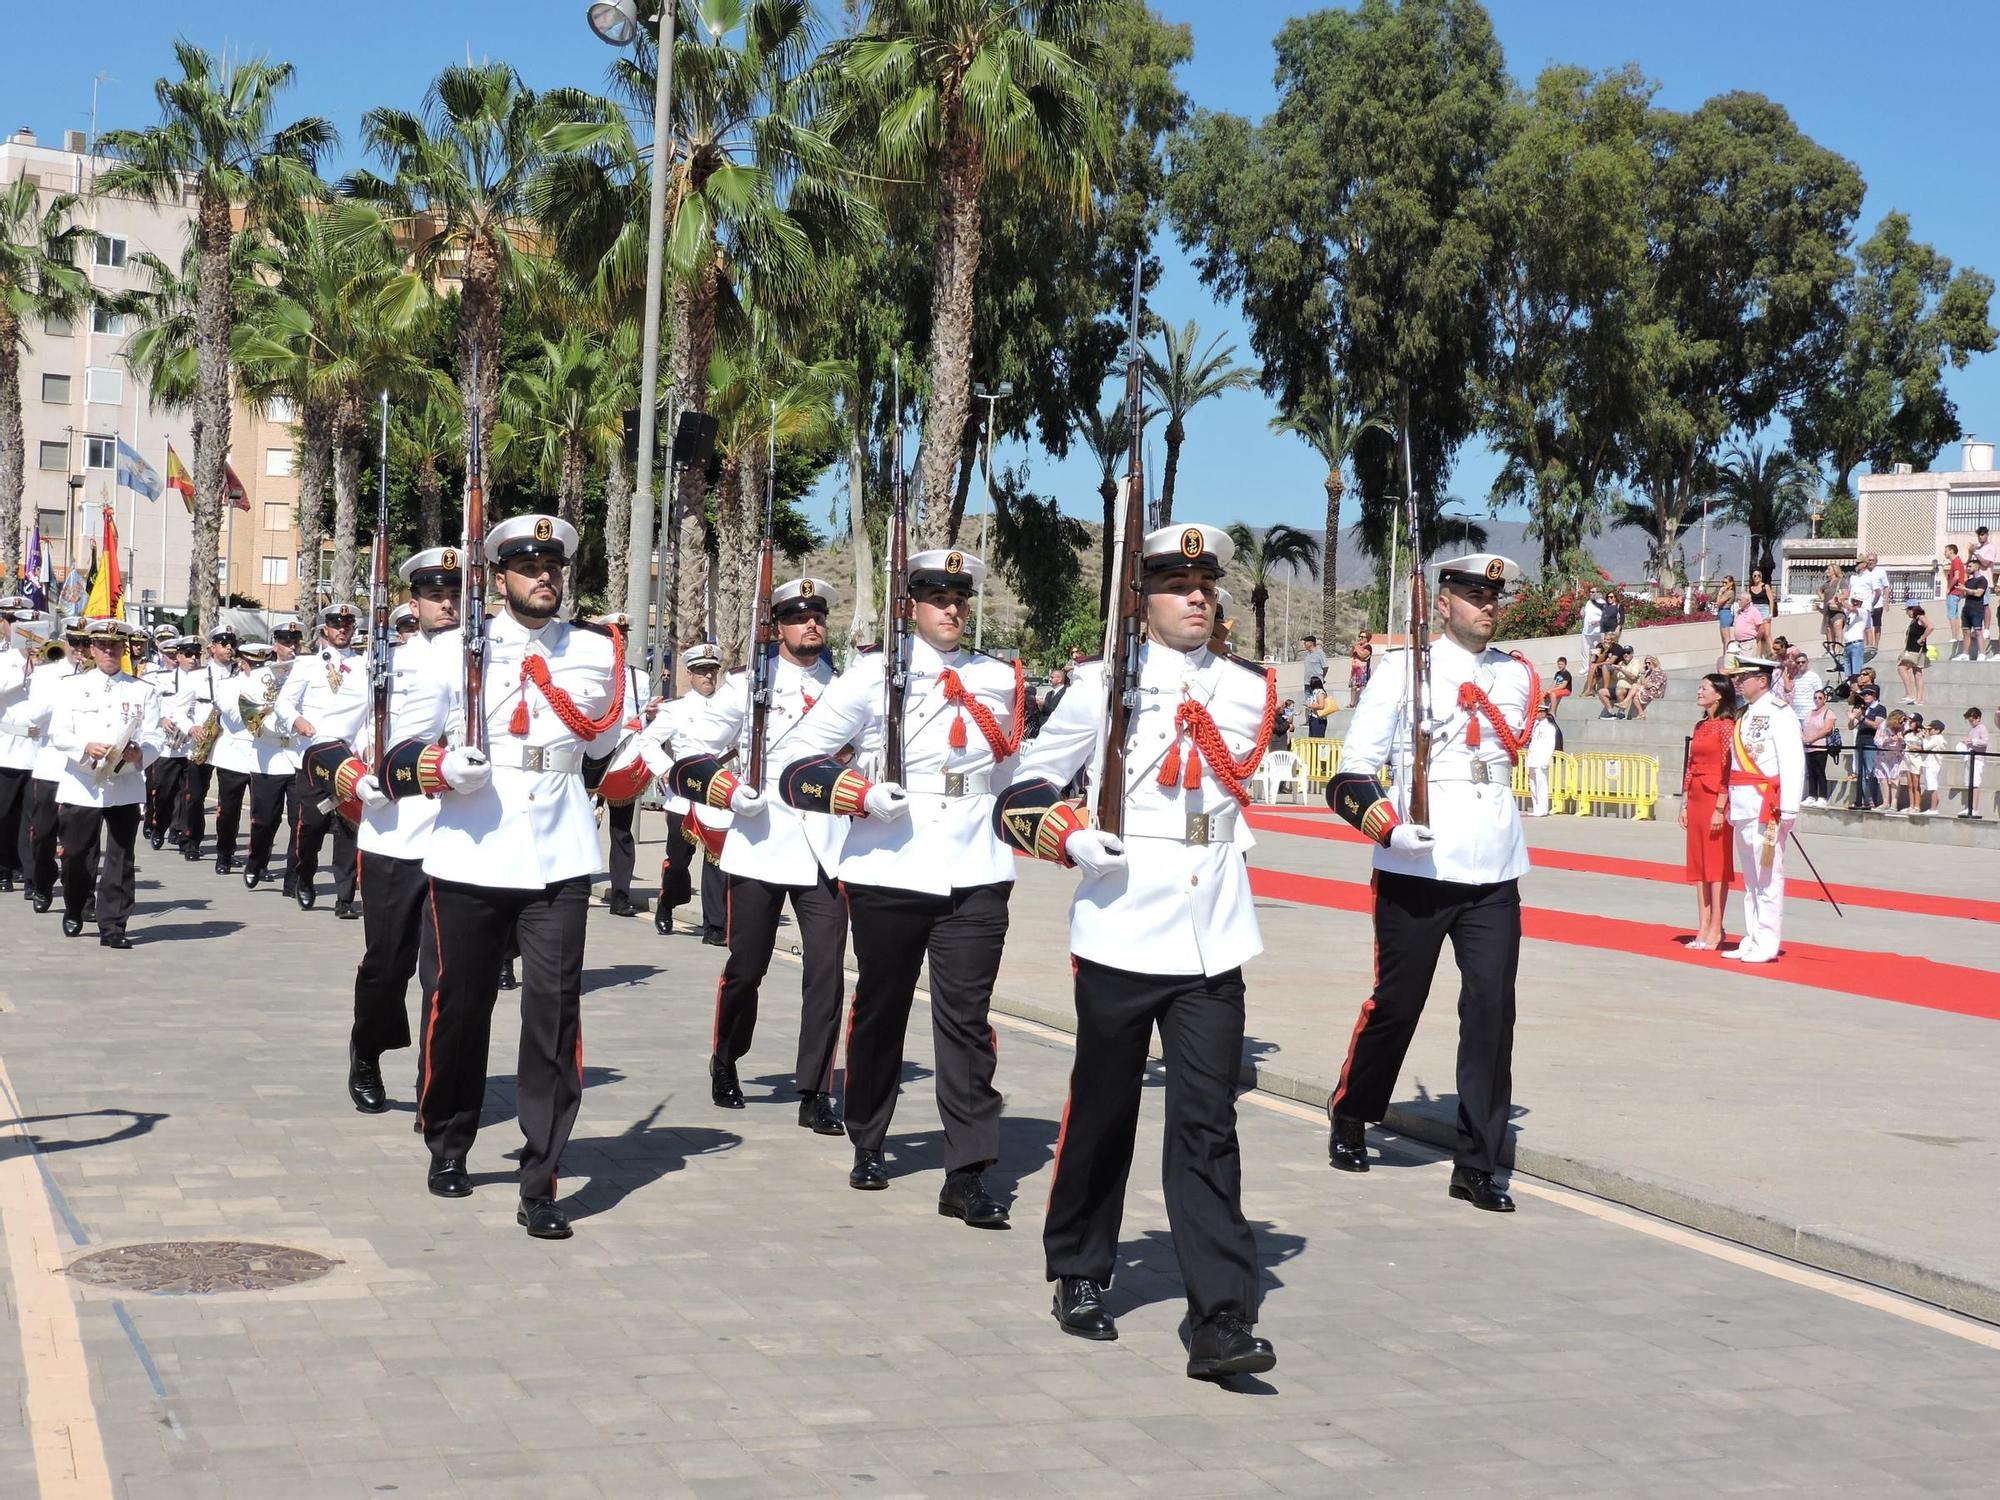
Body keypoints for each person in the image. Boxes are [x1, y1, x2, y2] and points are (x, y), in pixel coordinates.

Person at [995, 522, 1278, 1379]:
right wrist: (1071, 838)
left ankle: (1219, 1316)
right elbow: (1024, 788)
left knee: (1207, 1123)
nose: (1196, 596)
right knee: (1105, 1109)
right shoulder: (1099, 684)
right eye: (1175, 584)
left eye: (1206, 583)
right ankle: (1080, 1267)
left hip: (1213, 931)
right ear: (1141, 597)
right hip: (1121, 923)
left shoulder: (1245, 688)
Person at [774, 547, 1021, 1224]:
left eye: (960, 598)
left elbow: (1010, 775)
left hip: (975, 868)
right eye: (939, 598)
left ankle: (968, 1170)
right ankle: (869, 1135)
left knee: (966, 1022)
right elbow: (797, 760)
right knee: (882, 1008)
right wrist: (856, 794)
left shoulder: (997, 677)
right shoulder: (872, 676)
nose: (953, 609)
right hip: (891, 863)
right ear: (910, 604)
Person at [417, 513, 628, 1241]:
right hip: (474, 841)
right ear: (500, 578)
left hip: (560, 849)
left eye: (554, 566)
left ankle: (542, 1178)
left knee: (554, 1016)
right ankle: (449, 1139)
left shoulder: (598, 653)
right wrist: (442, 764)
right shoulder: (457, 651)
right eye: (528, 566)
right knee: (461, 1007)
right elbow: (410, 738)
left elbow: (606, 743)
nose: (545, 577)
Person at [1326, 552, 1537, 1214]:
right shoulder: (1403, 671)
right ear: (1443, 602)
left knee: (1490, 1012)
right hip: (1418, 862)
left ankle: (1477, 1162)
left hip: (1494, 866)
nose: (1488, 604)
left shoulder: (1516, 675)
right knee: (1397, 1003)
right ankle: (1354, 1110)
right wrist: (1387, 828)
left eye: (1495, 593)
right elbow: (1350, 773)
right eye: (1474, 592)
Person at [654, 576, 850, 1136]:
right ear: (778, 627)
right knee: (747, 967)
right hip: (762, 841)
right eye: (797, 616)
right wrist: (726, 789)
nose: (809, 624)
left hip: (825, 848)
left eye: (816, 615)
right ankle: (726, 1056)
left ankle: (814, 1088)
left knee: (826, 973)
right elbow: (694, 747)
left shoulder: (844, 687)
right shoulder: (748, 686)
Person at [338, 547, 462, 1115]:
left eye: (456, 595)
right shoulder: (386, 662)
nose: (448, 605)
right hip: (394, 834)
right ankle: (367, 1049)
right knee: (388, 965)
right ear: (415, 602)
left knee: (447, 975)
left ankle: (434, 1085)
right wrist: (355, 778)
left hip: (462, 839)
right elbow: (326, 741)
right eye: (437, 596)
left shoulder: (489, 660)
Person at [49, 619, 161, 948]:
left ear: (124, 650)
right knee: (76, 856)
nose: (110, 651)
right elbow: (59, 733)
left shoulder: (143, 690)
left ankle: (113, 926)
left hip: (124, 785)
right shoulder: (72, 687)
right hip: (82, 782)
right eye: (103, 646)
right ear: (93, 649)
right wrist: (84, 746)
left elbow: (154, 739)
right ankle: (75, 905)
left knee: (121, 858)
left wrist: (140, 751)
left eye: (116, 646)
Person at [277, 604, 370, 916]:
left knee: (349, 826)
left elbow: (368, 715)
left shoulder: (364, 664)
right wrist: (297, 721)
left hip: (348, 754)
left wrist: (367, 747)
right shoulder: (306, 665)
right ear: (324, 629)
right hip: (315, 753)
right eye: (335, 623)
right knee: (312, 824)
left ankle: (345, 897)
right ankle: (304, 875)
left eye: (347, 622)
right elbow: (283, 704)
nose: (342, 628)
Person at [643, 642, 731, 940]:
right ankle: (667, 902)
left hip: (717, 793)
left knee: (717, 859)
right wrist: (666, 769)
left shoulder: (729, 709)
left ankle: (715, 926)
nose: (708, 677)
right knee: (679, 861)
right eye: (702, 671)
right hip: (683, 795)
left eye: (712, 671)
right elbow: (647, 742)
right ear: (691, 675)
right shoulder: (675, 710)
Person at [1720, 656, 1803, 964]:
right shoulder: (1745, 713)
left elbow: (1792, 761)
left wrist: (1789, 807)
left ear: (1763, 680)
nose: (1738, 682)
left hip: (1766, 806)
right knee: (1751, 879)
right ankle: (1752, 936)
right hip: (1743, 803)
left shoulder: (1780, 713)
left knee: (1767, 876)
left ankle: (1767, 940)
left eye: (1745, 676)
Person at [1679, 674, 1737, 950]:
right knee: (1700, 865)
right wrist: (1684, 803)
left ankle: (1716, 927)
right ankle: (1702, 925)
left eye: (1705, 688)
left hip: (1716, 796)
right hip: (1697, 796)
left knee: (1716, 866)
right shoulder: (1701, 726)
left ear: (1719, 695)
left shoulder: (1727, 727)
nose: (1699, 691)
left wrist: (1720, 806)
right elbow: (1690, 765)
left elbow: (1728, 768)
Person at [174, 625, 235, 860]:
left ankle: (225, 849)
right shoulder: (197, 677)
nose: (229, 648)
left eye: (231, 644)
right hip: (203, 743)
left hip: (231, 745)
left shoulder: (241, 674)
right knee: (195, 797)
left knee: (229, 802)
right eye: (224, 643)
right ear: (211, 648)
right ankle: (192, 841)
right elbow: (178, 709)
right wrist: (191, 727)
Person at [1847, 684, 1886, 809]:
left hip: (1871, 743)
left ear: (1874, 695)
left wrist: (1862, 718)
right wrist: (1852, 718)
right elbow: (1851, 726)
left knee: (1871, 772)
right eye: (1864, 694)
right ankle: (1862, 800)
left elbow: (1876, 725)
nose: (1865, 696)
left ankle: (1872, 800)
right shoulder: (1863, 708)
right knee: (1861, 773)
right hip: (1860, 742)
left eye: (1868, 694)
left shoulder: (1880, 709)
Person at [1800, 688, 1837, 808]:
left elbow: (1826, 729)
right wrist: (1804, 738)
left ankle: (1822, 796)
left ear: (1825, 699)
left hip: (1820, 746)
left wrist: (1812, 739)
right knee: (1810, 772)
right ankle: (1812, 795)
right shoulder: (1809, 713)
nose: (1817, 700)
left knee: (1820, 771)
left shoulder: (1828, 713)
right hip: (1808, 747)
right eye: (1815, 698)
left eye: (1820, 698)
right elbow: (1804, 726)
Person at [1851, 552, 1890, 651]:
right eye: (1869, 560)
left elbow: (1884, 587)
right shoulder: (1859, 575)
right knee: (1865, 625)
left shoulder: (1880, 572)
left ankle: (1875, 645)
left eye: (1872, 560)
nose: (1870, 562)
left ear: (1876, 561)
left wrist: (1886, 600)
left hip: (1877, 603)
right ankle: (1867, 645)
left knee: (1876, 625)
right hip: (1864, 604)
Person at [1897, 604, 1933, 706]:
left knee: (1901, 668)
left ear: (1913, 609)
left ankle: (1909, 694)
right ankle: (1919, 699)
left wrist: (1922, 638)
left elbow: (1930, 627)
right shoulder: (1915, 620)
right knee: (1917, 673)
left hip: (1916, 650)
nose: (1906, 613)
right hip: (1913, 649)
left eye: (1908, 610)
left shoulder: (1921, 618)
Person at [1524, 703, 1556, 816]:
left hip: (1541, 759)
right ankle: (1536, 807)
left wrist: (1546, 760)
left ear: (1543, 713)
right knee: (1533, 785)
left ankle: (1543, 808)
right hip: (1533, 759)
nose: (1536, 714)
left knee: (1541, 785)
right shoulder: (1535, 726)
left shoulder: (1549, 728)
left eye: (1538, 712)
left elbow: (1550, 745)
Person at [1875, 710, 1908, 814]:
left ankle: (1894, 803)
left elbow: (1907, 743)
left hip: (1896, 755)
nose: (1902, 723)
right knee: (1882, 778)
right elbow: (1877, 741)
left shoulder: (1905, 726)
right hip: (1883, 754)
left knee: (1895, 778)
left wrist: (1900, 740)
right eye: (1901, 721)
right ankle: (1885, 803)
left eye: (1903, 721)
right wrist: (1888, 740)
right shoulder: (1884, 725)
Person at [1959, 707, 1987, 818]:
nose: (1970, 723)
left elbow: (1984, 742)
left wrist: (1972, 741)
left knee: (1975, 784)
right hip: (1969, 758)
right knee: (1969, 783)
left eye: (1972, 720)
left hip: (1978, 759)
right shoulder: (1972, 729)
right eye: (1969, 721)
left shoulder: (1982, 728)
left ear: (1978, 718)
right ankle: (1969, 807)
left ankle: (1974, 808)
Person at [1781, 646, 1823, 719]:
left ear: (1807, 662)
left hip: (1809, 715)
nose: (1800, 664)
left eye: (1803, 662)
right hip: (1796, 715)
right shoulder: (1795, 677)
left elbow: (1820, 696)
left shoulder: (1814, 676)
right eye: (1798, 662)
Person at [1962, 556, 1989, 662]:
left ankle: (1982, 653)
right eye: (1967, 566)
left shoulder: (1982, 580)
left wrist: (1966, 589)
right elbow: (1964, 595)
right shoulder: (1969, 581)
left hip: (1977, 609)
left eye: (1970, 566)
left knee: (1978, 631)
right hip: (1966, 609)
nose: (1968, 568)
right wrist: (1963, 588)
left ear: (1977, 567)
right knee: (1966, 631)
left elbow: (1979, 593)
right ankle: (1965, 654)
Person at [1943, 546, 1967, 659]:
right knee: (1955, 615)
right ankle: (1955, 636)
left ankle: (1954, 636)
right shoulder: (1958, 562)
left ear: (1951, 551)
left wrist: (1949, 587)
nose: (1944, 553)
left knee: (1952, 615)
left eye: (1946, 551)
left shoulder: (1956, 561)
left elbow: (1957, 576)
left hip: (1954, 592)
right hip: (1958, 592)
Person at [1819, 563, 1847, 650]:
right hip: (1828, 609)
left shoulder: (1840, 581)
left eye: (1829, 570)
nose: (1827, 571)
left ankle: (1839, 648)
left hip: (1837, 608)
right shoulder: (1826, 583)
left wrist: (1836, 599)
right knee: (1829, 629)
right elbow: (1819, 590)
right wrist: (1822, 597)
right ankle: (1831, 649)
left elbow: (1846, 594)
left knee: (1837, 626)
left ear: (1835, 571)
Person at [1632, 655, 1667, 720]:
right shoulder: (1649, 672)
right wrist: (1643, 673)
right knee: (1634, 696)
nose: (1647, 665)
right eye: (1646, 663)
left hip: (1655, 693)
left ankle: (1625, 702)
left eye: (1649, 663)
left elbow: (1656, 686)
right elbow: (1643, 683)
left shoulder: (1659, 672)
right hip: (1648, 691)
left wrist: (1648, 684)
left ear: (1654, 662)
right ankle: (1641, 714)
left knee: (1634, 686)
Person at [1348, 630, 1372, 709]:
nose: (1360, 638)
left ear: (1367, 638)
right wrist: (1353, 648)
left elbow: (1363, 656)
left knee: (1362, 686)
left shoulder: (1368, 647)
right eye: (1360, 636)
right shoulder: (1358, 646)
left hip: (1362, 669)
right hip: (1355, 669)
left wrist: (1356, 647)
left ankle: (1362, 703)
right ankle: (1352, 703)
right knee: (1353, 686)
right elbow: (1351, 654)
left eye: (1362, 637)